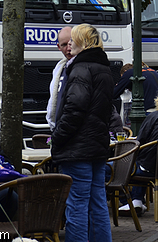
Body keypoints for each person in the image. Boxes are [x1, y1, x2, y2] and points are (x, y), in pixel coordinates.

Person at [51, 23, 114, 242]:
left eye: (72, 40)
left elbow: (74, 109)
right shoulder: (104, 68)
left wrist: (57, 138)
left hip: (77, 149)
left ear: (82, 42)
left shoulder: (79, 68)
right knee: (97, 203)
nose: (69, 44)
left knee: (76, 205)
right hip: (97, 147)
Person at [119, 86, 158, 215]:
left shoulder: (154, 117)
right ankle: (137, 200)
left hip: (147, 165)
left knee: (112, 170)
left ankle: (128, 201)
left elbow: (141, 141)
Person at [46, 26, 72, 131]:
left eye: (71, 43)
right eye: (64, 45)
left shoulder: (83, 68)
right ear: (58, 47)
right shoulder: (59, 68)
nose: (68, 48)